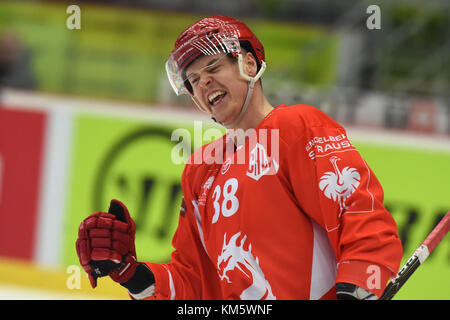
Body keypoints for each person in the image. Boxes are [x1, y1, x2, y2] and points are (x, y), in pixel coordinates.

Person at [76, 15, 403, 300]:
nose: (204, 83)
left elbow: (359, 214)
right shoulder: (200, 170)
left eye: (213, 67)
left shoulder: (296, 126)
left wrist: (361, 283)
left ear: (249, 64)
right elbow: (194, 280)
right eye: (193, 81)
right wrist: (133, 275)